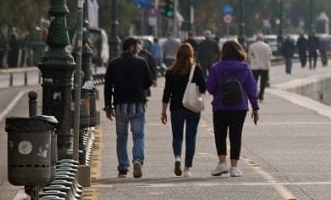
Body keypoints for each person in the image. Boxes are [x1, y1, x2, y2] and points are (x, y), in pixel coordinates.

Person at [205, 40, 260, 178]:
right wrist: (255, 107)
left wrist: (219, 89)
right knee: (236, 135)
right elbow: (251, 88)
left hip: (220, 106)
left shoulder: (216, 68)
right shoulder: (245, 68)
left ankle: (222, 163)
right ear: (238, 51)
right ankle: (234, 168)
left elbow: (210, 87)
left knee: (220, 134)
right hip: (239, 107)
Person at [103, 37, 154, 178]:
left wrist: (108, 106)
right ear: (132, 47)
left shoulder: (113, 63)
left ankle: (123, 167)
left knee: (121, 137)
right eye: (137, 46)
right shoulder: (141, 62)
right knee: (138, 136)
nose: (138, 49)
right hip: (138, 104)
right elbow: (149, 82)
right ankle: (137, 159)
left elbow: (108, 87)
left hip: (120, 106)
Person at [160, 42, 206, 177]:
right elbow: (203, 88)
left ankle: (177, 158)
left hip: (176, 108)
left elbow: (166, 93)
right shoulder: (196, 69)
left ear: (177, 54)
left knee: (177, 136)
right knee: (191, 137)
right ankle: (187, 169)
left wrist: (163, 111)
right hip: (192, 107)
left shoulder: (170, 71)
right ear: (191, 54)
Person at [248, 33, 272, 103]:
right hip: (265, 66)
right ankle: (261, 95)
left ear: (256, 39)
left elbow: (249, 56)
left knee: (254, 81)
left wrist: (253, 60)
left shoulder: (252, 46)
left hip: (255, 66)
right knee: (263, 82)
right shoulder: (267, 46)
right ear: (263, 39)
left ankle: (255, 94)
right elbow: (269, 56)